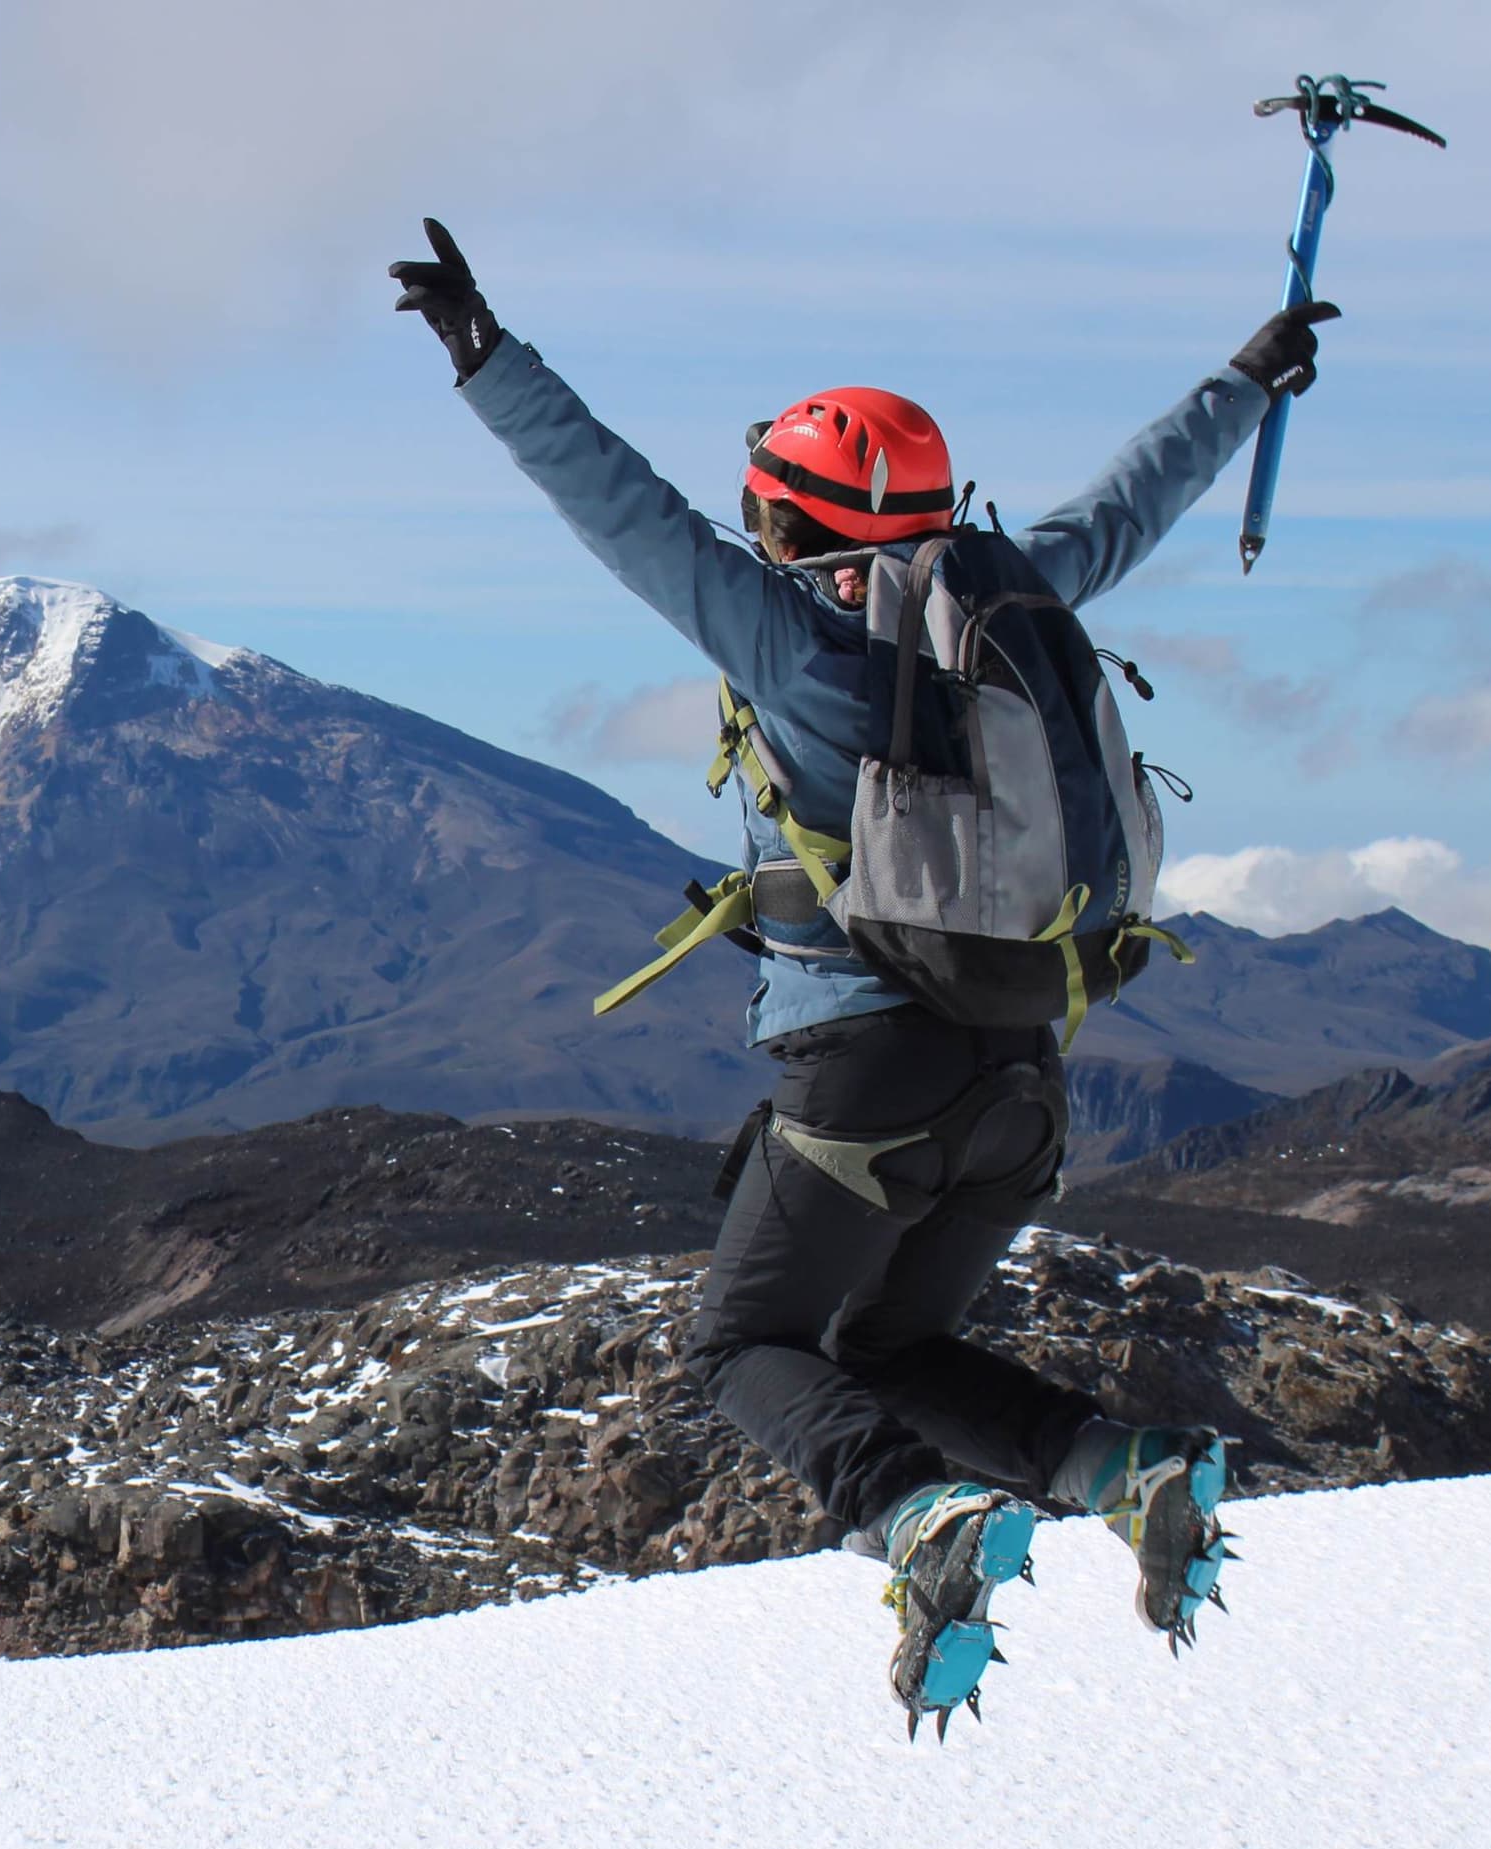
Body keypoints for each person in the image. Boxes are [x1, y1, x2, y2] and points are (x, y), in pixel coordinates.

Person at [392, 217, 1332, 1734]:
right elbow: (1131, 506)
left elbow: (616, 506)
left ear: (790, 521)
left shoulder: (797, 646)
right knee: (887, 1345)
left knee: (744, 1347)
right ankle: (1125, 1468)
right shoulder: (1013, 596)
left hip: (865, 1079)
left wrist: (485, 356)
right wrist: (1244, 384)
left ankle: (914, 1516)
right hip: (1023, 1075)